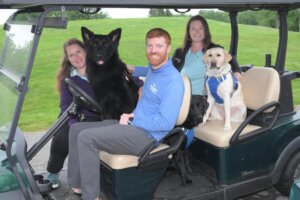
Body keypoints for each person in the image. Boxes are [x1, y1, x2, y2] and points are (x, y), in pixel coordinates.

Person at [67, 28, 184, 200]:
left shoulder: (173, 81)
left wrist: (132, 119)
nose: (153, 50)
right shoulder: (154, 69)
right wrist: (132, 70)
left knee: (86, 138)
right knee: (76, 129)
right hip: (133, 125)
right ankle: (76, 185)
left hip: (147, 136)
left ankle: (91, 197)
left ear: (168, 48)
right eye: (150, 45)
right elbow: (145, 72)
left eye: (159, 46)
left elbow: (166, 123)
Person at [171, 15, 242, 133]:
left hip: (199, 100)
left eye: (201, 28)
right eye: (193, 28)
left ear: (206, 31)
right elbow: (170, 72)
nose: (197, 32)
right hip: (180, 97)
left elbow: (231, 60)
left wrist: (237, 72)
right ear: (188, 32)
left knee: (176, 124)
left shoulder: (213, 50)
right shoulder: (180, 52)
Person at [46, 38, 100, 189]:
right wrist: (72, 123)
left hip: (94, 114)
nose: (76, 57)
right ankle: (53, 171)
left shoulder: (101, 71)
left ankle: (82, 177)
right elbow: (64, 105)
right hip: (72, 113)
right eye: (71, 55)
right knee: (62, 136)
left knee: (83, 137)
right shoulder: (68, 78)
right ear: (68, 59)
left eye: (78, 52)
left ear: (86, 52)